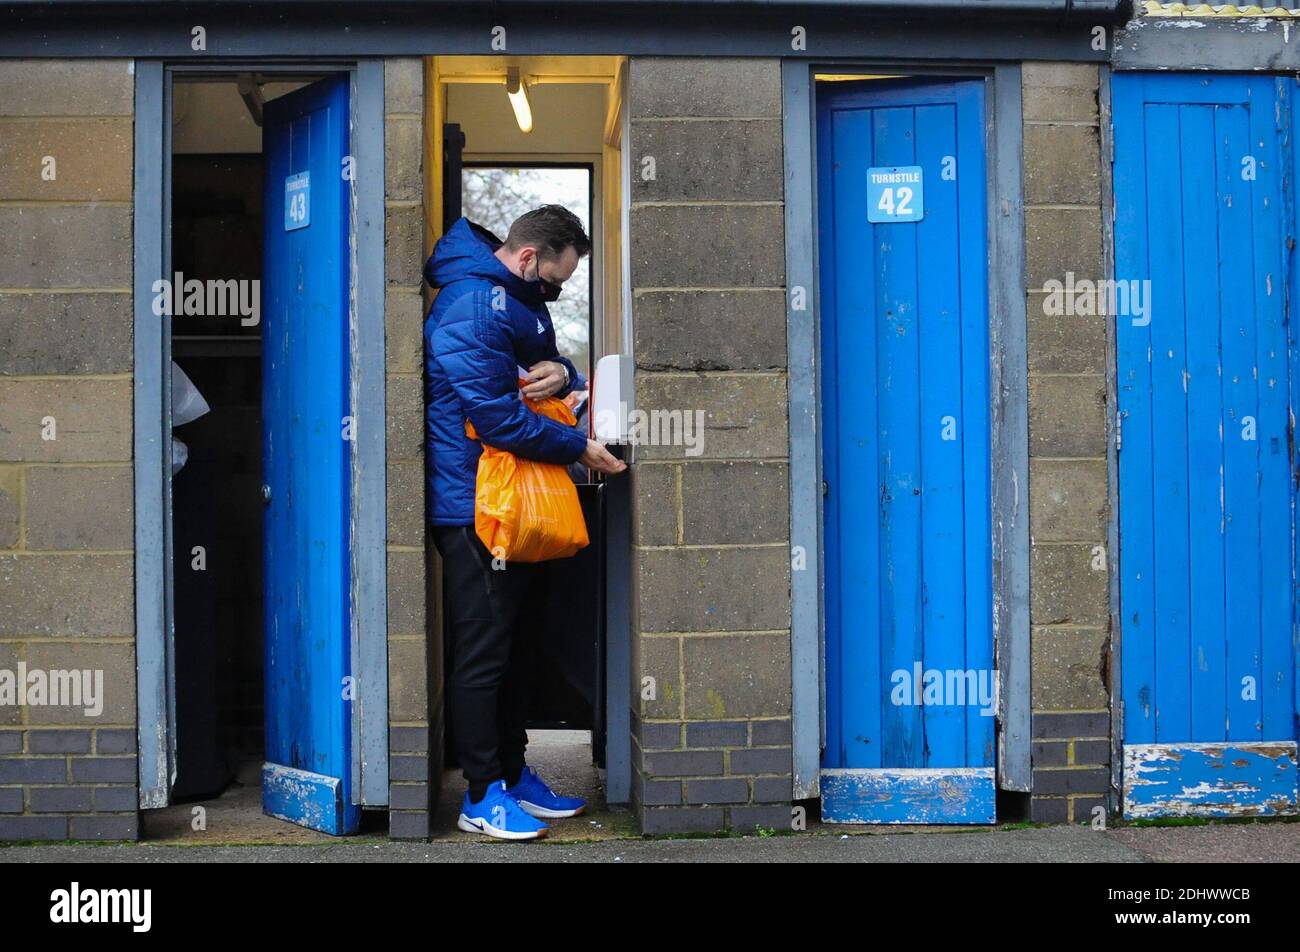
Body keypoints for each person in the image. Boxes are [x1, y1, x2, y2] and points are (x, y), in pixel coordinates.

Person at [423, 205, 626, 841]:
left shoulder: (516, 300)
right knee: (484, 655)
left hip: (506, 499)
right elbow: (499, 420)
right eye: (556, 282)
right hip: (475, 507)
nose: (556, 294)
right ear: (530, 257)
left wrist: (564, 371)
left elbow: (546, 366)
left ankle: (510, 775)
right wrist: (578, 449)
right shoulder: (472, 307)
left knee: (511, 650)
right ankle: (480, 794)